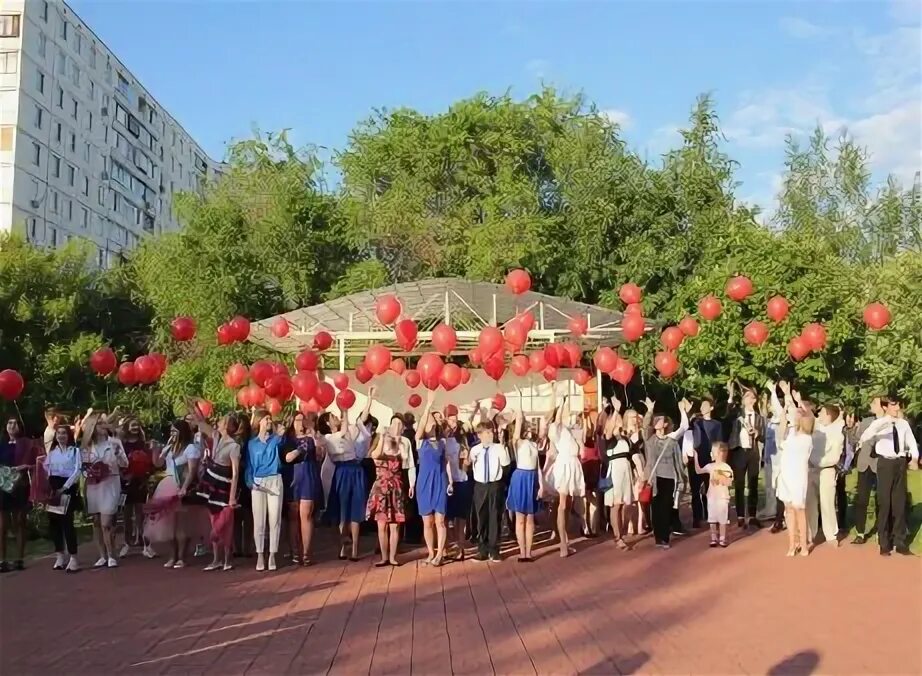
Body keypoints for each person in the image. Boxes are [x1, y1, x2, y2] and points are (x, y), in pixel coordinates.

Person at [857, 396, 918, 556]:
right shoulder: (879, 424)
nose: (897, 408)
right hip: (885, 464)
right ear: (886, 407)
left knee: (899, 502)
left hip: (900, 463)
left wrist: (914, 458)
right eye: (893, 405)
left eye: (898, 405)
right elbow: (865, 436)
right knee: (885, 502)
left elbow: (911, 441)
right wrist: (878, 428)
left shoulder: (903, 424)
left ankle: (900, 541)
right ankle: (884, 543)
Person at [321, 388, 374, 561]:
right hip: (342, 472)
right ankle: (343, 546)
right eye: (332, 417)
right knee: (342, 511)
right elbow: (343, 431)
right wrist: (344, 408)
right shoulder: (328, 438)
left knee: (355, 510)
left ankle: (355, 549)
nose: (337, 418)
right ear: (327, 424)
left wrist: (369, 399)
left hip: (355, 470)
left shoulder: (348, 429)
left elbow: (362, 419)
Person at [147, 419, 205, 569]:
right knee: (168, 525)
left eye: (175, 431)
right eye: (171, 431)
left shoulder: (190, 448)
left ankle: (181, 557)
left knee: (181, 525)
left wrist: (184, 487)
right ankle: (172, 556)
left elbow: (192, 470)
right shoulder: (169, 447)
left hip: (181, 485)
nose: (172, 434)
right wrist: (155, 450)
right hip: (167, 484)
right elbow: (158, 464)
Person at [194, 411, 244, 571]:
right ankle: (216, 559)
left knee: (225, 523)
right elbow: (201, 423)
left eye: (222, 421)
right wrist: (193, 406)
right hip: (211, 483)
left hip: (224, 485)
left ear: (227, 426)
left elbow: (235, 473)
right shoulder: (216, 437)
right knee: (213, 518)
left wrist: (232, 497)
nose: (218, 422)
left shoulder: (234, 446)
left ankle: (227, 559)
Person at [81, 413, 128, 568]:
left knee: (106, 521)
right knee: (96, 522)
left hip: (111, 483)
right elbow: (83, 468)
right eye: (99, 424)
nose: (102, 426)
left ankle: (111, 554)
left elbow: (124, 464)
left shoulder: (114, 442)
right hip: (94, 485)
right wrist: (91, 472)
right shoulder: (87, 446)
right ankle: (102, 555)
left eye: (103, 424)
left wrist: (118, 454)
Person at [643, 398, 690, 549]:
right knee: (657, 508)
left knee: (667, 506)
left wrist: (682, 410)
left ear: (665, 424)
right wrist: (650, 411)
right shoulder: (650, 440)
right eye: (655, 420)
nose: (657, 422)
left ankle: (665, 536)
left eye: (660, 420)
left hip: (670, 477)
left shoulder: (671, 439)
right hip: (656, 479)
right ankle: (659, 538)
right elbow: (645, 427)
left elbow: (684, 427)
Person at [545, 386, 585, 557]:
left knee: (565, 505)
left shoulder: (568, 431)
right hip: (565, 466)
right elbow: (558, 416)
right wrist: (560, 400)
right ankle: (562, 543)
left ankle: (564, 539)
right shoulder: (556, 428)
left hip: (572, 465)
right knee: (562, 504)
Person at [774, 382, 813, 557]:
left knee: (799, 509)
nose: (795, 417)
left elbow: (810, 416)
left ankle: (803, 544)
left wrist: (797, 401)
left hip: (798, 477)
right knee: (788, 510)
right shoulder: (790, 435)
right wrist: (784, 414)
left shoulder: (807, 438)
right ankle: (792, 543)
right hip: (786, 475)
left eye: (798, 415)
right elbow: (781, 435)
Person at [366, 415, 410, 566]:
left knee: (395, 525)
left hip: (395, 488)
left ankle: (392, 557)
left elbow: (405, 459)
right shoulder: (379, 448)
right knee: (382, 524)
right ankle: (384, 556)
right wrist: (383, 438)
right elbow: (376, 455)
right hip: (381, 488)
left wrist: (397, 440)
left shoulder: (399, 447)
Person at [415, 393, 453, 565]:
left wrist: (450, 482)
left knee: (440, 521)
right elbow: (422, 423)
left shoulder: (442, 442)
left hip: (440, 481)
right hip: (424, 482)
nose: (429, 424)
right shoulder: (419, 441)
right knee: (427, 521)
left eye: (431, 422)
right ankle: (430, 553)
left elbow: (446, 464)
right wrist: (428, 406)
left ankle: (440, 554)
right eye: (426, 423)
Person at [506, 391, 545, 562]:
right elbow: (520, 420)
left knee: (530, 518)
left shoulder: (534, 444)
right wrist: (520, 400)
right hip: (520, 477)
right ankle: (521, 551)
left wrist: (541, 485)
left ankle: (529, 552)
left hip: (532, 478)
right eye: (526, 427)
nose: (529, 429)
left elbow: (538, 466)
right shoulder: (517, 443)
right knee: (520, 518)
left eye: (530, 427)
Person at [282, 412, 324, 566]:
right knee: (293, 516)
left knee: (305, 514)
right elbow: (285, 457)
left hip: (308, 476)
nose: (300, 423)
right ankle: (294, 552)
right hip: (293, 477)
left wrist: (313, 434)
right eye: (297, 420)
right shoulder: (287, 440)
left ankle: (306, 553)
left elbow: (320, 454)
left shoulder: (310, 438)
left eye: (302, 420)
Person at [245, 409, 286, 571]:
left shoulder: (276, 439)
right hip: (257, 482)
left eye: (270, 419)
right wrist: (250, 482)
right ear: (259, 421)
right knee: (259, 520)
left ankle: (272, 554)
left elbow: (281, 440)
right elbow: (248, 466)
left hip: (274, 479)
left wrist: (280, 433)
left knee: (274, 519)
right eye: (266, 419)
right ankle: (260, 554)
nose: (269, 421)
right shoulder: (251, 443)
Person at [0, 416, 41, 572]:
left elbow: (37, 462)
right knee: (2, 525)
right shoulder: (2, 445)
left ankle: (19, 559)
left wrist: (26, 466)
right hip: (3, 487)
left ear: (20, 426)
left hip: (21, 486)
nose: (12, 425)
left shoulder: (27, 444)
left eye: (15, 423)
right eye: (9, 423)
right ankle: (2, 560)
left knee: (20, 522)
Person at [601, 399, 642, 550]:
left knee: (627, 503)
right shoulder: (610, 439)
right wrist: (616, 411)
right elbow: (608, 430)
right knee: (616, 504)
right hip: (615, 470)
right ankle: (618, 537)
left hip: (626, 469)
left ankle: (622, 531)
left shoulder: (625, 438)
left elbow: (634, 454)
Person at [44, 422, 83, 572]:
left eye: (64, 433)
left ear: (69, 436)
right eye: (59, 433)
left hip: (67, 487)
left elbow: (77, 470)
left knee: (67, 523)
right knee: (54, 523)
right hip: (54, 487)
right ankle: (59, 554)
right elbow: (47, 468)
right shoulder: (52, 452)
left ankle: (73, 557)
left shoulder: (75, 451)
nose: (61, 435)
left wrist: (65, 487)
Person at [727, 381, 766, 529]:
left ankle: (752, 515)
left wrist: (757, 433)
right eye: (745, 397)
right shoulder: (738, 415)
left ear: (755, 400)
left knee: (753, 483)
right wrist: (731, 395)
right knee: (739, 484)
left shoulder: (759, 418)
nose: (747, 399)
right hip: (739, 451)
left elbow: (763, 437)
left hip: (753, 452)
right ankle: (740, 515)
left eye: (750, 397)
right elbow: (729, 411)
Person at [470, 419, 510, 562]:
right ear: (479, 435)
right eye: (486, 433)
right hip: (480, 485)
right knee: (481, 517)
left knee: (494, 516)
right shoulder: (475, 450)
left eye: (491, 432)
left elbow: (506, 467)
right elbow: (470, 465)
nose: (490, 435)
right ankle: (482, 549)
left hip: (494, 485)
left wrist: (500, 484)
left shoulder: (499, 448)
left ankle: (494, 549)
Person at [851, 396, 884, 545]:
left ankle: (880, 531)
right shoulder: (866, 422)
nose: (871, 405)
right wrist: (851, 428)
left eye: (874, 403)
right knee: (862, 499)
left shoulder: (888, 423)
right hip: (864, 464)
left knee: (881, 500)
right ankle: (860, 532)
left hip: (880, 465)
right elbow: (855, 440)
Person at [118, 417, 152, 557]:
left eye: (137, 425)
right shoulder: (122, 444)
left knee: (141, 513)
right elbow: (118, 461)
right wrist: (123, 475)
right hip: (125, 482)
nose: (135, 427)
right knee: (126, 514)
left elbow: (149, 462)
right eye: (132, 425)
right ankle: (127, 543)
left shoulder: (144, 444)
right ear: (127, 427)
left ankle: (145, 544)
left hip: (140, 482)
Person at [692, 441, 734, 547]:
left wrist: (720, 477)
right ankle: (713, 537)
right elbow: (698, 471)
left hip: (722, 497)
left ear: (720, 453)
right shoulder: (710, 466)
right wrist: (696, 457)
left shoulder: (726, 467)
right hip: (711, 496)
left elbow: (729, 482)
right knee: (712, 518)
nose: (711, 453)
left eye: (713, 451)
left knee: (722, 519)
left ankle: (722, 538)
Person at [690, 397, 724, 528]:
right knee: (695, 490)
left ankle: (710, 514)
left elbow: (720, 442)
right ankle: (696, 517)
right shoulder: (696, 422)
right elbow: (687, 430)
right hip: (696, 459)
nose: (702, 408)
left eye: (705, 406)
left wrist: (718, 458)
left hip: (711, 460)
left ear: (711, 408)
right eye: (701, 406)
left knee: (710, 489)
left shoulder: (717, 424)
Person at [443, 405, 472, 561]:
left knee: (460, 519)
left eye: (455, 420)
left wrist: (466, 461)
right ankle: (445, 548)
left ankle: (461, 549)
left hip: (461, 481)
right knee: (446, 519)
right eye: (450, 420)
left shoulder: (462, 441)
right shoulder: (442, 440)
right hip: (447, 482)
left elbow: (466, 464)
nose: (453, 423)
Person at [814, 404, 845, 546]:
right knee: (810, 503)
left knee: (827, 504)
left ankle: (831, 535)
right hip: (811, 471)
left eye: (822, 413)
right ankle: (810, 533)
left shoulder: (837, 434)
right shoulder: (816, 429)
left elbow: (834, 457)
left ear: (829, 415)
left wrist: (818, 462)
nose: (819, 415)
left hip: (827, 470)